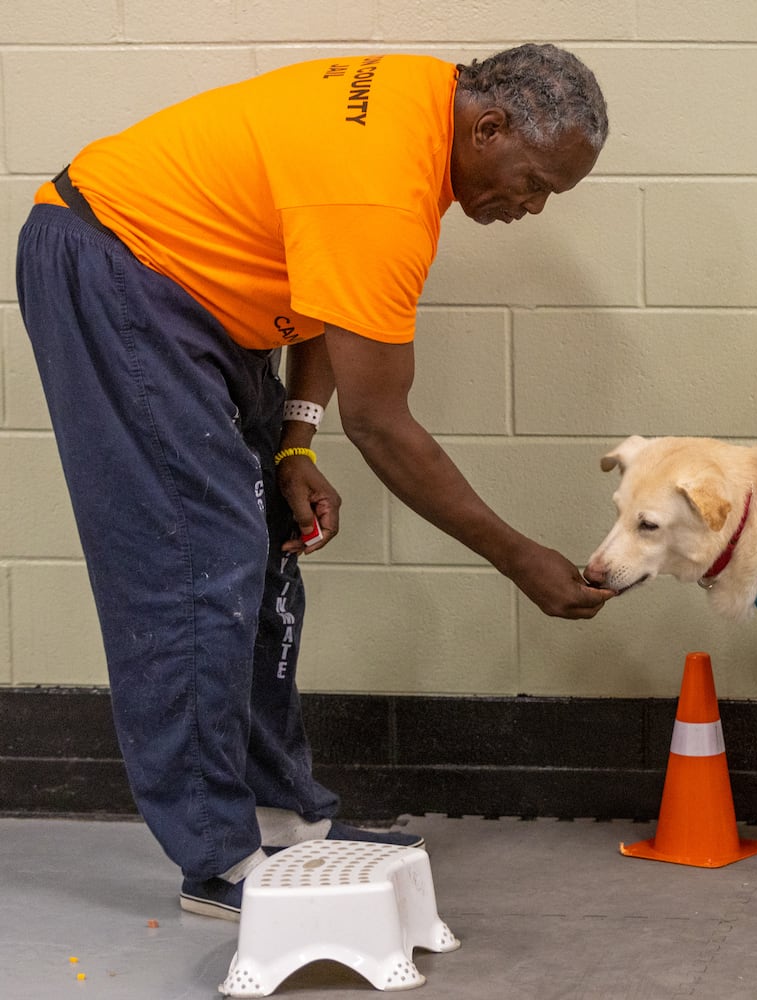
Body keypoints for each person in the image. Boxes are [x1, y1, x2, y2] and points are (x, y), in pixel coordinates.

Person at [15, 44, 614, 921]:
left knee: (264, 543)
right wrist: (520, 560)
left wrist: (294, 445)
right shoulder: (382, 185)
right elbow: (383, 424)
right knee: (197, 560)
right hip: (120, 263)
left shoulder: (426, 97)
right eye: (534, 181)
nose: (531, 206)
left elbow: (330, 293)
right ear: (487, 128)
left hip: (196, 288)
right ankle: (216, 857)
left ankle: (278, 815)